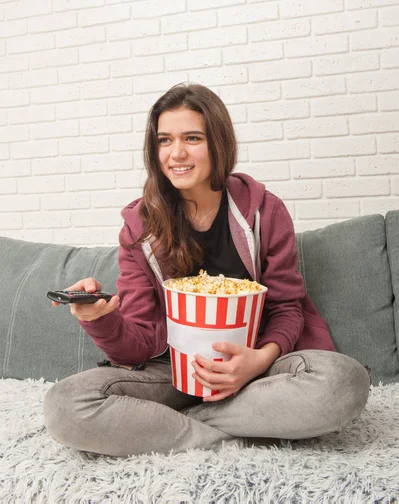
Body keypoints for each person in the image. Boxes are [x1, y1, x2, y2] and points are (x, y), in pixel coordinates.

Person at [44, 83, 370, 457]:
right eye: (164, 140)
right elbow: (136, 348)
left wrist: (259, 360)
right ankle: (232, 435)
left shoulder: (265, 211)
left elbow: (286, 306)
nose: (176, 153)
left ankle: (165, 425)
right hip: (170, 371)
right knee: (65, 404)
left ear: (218, 142)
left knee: (343, 382)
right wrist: (99, 318)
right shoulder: (140, 227)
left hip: (256, 371)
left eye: (192, 138)